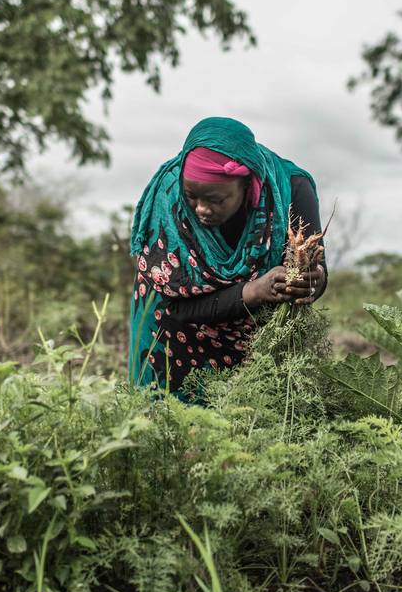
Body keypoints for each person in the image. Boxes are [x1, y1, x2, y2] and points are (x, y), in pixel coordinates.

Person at [128, 116, 326, 395]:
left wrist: (310, 283)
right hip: (174, 335)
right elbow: (177, 307)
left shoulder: (292, 190)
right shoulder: (169, 200)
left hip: (255, 344)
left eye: (216, 199)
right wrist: (253, 291)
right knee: (166, 413)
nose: (201, 209)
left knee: (247, 418)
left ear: (248, 186)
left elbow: (316, 273)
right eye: (192, 197)